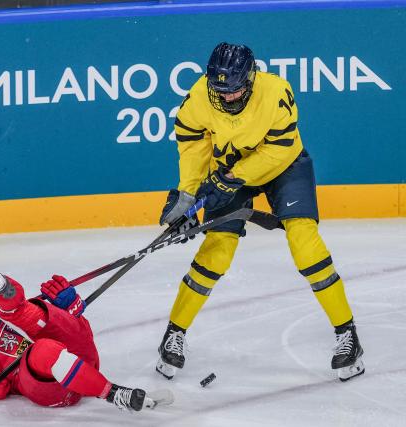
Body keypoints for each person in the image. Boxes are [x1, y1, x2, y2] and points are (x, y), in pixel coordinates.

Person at [155, 42, 364, 382]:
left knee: (304, 242)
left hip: (284, 167)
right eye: (220, 90)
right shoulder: (198, 97)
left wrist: (233, 179)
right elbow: (193, 146)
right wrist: (188, 194)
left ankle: (348, 333)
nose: (227, 97)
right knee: (216, 252)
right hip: (228, 169)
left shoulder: (276, 91)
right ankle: (174, 332)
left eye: (235, 89)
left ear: (250, 79)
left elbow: (279, 150)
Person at [0, 250, 167, 411]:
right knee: (41, 350)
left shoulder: (7, 322)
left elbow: (78, 337)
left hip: (80, 359)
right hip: (51, 389)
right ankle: (115, 394)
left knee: (32, 313)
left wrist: (71, 309)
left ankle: (5, 292)